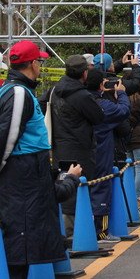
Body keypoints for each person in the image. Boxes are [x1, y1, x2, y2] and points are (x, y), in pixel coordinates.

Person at [0, 41, 68, 278]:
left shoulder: (17, 90)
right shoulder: (18, 92)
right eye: (39, 61)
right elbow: (7, 136)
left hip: (26, 175)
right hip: (23, 176)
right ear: (30, 64)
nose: (41, 65)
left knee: (24, 239)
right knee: (22, 239)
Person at [39, 55, 104, 235]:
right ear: (84, 73)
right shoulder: (82, 96)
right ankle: (80, 235)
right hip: (81, 149)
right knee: (81, 190)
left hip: (59, 148)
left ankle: (64, 232)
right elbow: (99, 117)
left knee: (63, 186)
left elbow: (40, 107)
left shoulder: (54, 90)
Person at [85, 68, 131, 243]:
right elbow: (123, 111)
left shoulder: (80, 100)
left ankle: (82, 229)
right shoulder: (102, 105)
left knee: (83, 189)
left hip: (80, 150)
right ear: (100, 85)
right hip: (101, 150)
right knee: (101, 188)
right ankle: (101, 232)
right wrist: (121, 94)